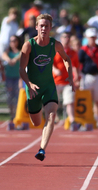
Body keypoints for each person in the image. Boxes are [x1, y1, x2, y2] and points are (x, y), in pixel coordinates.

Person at [19, 14, 74, 161]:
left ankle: (42, 149)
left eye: (46, 26)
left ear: (50, 28)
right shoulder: (29, 45)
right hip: (33, 89)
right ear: (36, 27)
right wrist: (29, 84)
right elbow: (21, 69)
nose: (44, 28)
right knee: (36, 122)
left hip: (49, 86)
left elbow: (66, 59)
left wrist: (71, 75)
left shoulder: (55, 44)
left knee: (51, 116)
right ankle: (38, 113)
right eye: (41, 26)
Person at [78, 28, 98, 125]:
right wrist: (78, 77)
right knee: (86, 98)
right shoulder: (83, 50)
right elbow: (79, 63)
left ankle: (97, 118)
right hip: (86, 76)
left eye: (94, 37)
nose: (92, 39)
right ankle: (87, 118)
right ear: (87, 37)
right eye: (90, 37)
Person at [53, 33, 80, 125]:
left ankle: (72, 120)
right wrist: (55, 69)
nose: (66, 39)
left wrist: (76, 77)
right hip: (55, 81)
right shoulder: (55, 50)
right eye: (64, 37)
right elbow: (49, 63)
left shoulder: (73, 52)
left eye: (68, 37)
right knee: (54, 102)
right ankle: (54, 118)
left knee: (69, 102)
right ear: (61, 38)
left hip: (67, 81)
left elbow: (75, 66)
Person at [1, 35, 22, 120]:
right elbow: (3, 56)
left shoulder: (20, 52)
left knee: (17, 96)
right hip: (9, 77)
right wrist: (9, 60)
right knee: (9, 96)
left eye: (14, 41)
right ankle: (12, 114)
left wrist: (15, 60)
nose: (12, 43)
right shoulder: (7, 52)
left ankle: (17, 114)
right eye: (11, 41)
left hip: (17, 77)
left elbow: (21, 55)